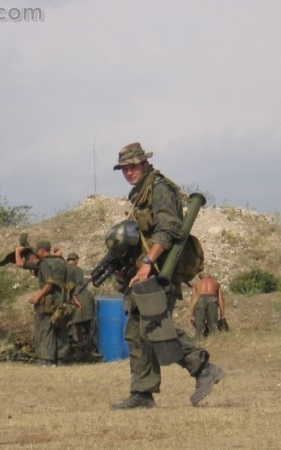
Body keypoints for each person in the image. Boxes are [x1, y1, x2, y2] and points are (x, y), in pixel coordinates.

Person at [110, 142, 224, 409]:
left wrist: (148, 262)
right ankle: (142, 393)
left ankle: (204, 368)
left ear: (144, 163)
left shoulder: (160, 189)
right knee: (138, 333)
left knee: (156, 329)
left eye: (133, 166)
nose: (129, 172)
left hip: (159, 272)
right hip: (143, 274)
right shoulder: (139, 194)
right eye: (124, 169)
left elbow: (168, 229)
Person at [15, 240, 81, 366]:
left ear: (41, 251)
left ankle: (47, 360)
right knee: (61, 329)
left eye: (37, 251)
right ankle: (61, 359)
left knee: (46, 330)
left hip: (49, 302)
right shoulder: (61, 262)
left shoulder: (43, 263)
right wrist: (74, 299)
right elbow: (67, 283)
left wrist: (18, 251)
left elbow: (49, 283)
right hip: (62, 302)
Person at [66, 252, 96, 355]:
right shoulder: (76, 269)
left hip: (69, 299)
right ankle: (90, 349)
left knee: (76, 325)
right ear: (76, 260)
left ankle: (79, 350)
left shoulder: (64, 268)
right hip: (80, 299)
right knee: (88, 325)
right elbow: (80, 284)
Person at [190, 272, 226, 338]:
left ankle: (199, 340)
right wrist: (222, 315)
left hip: (200, 301)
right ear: (210, 276)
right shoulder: (216, 283)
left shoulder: (197, 283)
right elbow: (221, 300)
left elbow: (193, 300)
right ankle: (214, 341)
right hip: (212, 300)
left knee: (199, 327)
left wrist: (192, 315)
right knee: (213, 325)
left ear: (201, 277)